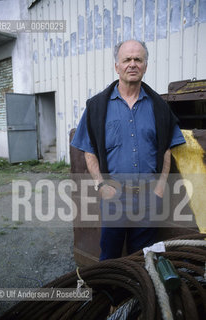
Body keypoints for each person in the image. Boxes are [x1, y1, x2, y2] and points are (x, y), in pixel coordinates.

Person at [71, 39, 186, 260]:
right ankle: (109, 294)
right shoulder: (97, 107)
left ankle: (140, 295)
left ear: (145, 66)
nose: (132, 64)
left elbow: (166, 149)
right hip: (114, 197)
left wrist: (160, 186)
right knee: (110, 258)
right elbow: (89, 149)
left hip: (149, 197)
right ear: (117, 66)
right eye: (127, 59)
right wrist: (101, 185)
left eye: (138, 59)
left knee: (145, 258)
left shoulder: (160, 108)